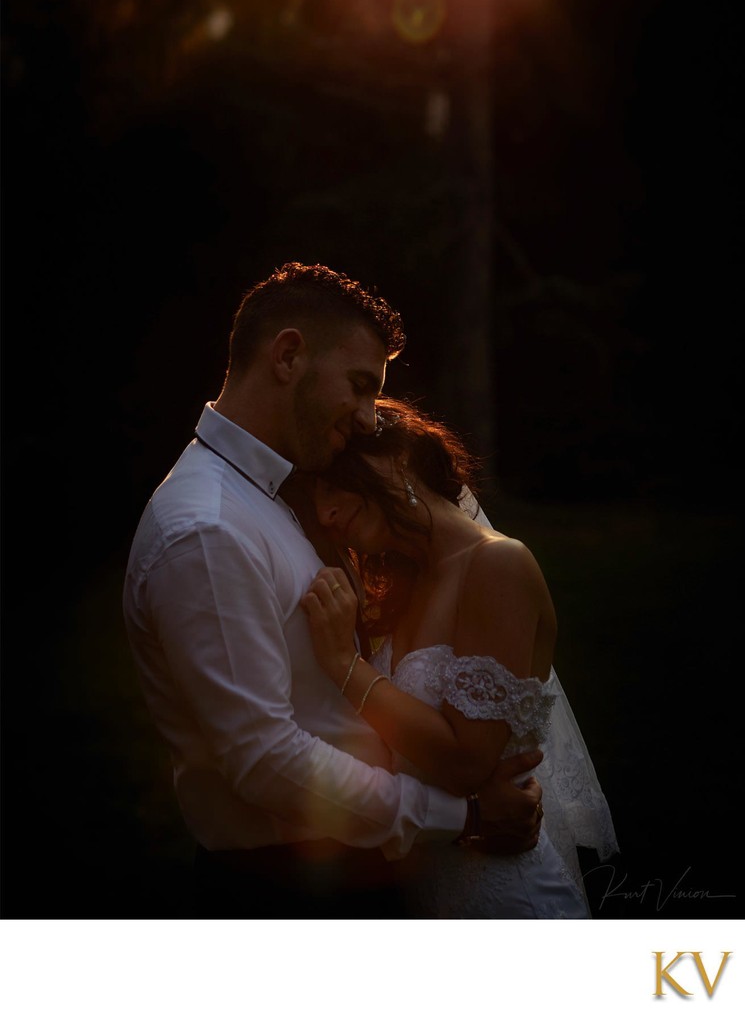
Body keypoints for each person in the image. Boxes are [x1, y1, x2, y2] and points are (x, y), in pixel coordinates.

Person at [122, 261, 545, 920]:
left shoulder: (281, 495)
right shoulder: (207, 528)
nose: (368, 416)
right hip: (287, 894)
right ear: (287, 355)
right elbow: (263, 757)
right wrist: (459, 812)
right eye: (358, 385)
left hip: (362, 873)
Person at [301, 395, 619, 918]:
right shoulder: (407, 584)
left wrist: (344, 668)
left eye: (334, 483)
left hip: (503, 892)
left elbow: (469, 760)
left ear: (397, 458)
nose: (324, 512)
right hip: (434, 883)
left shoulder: (497, 564)